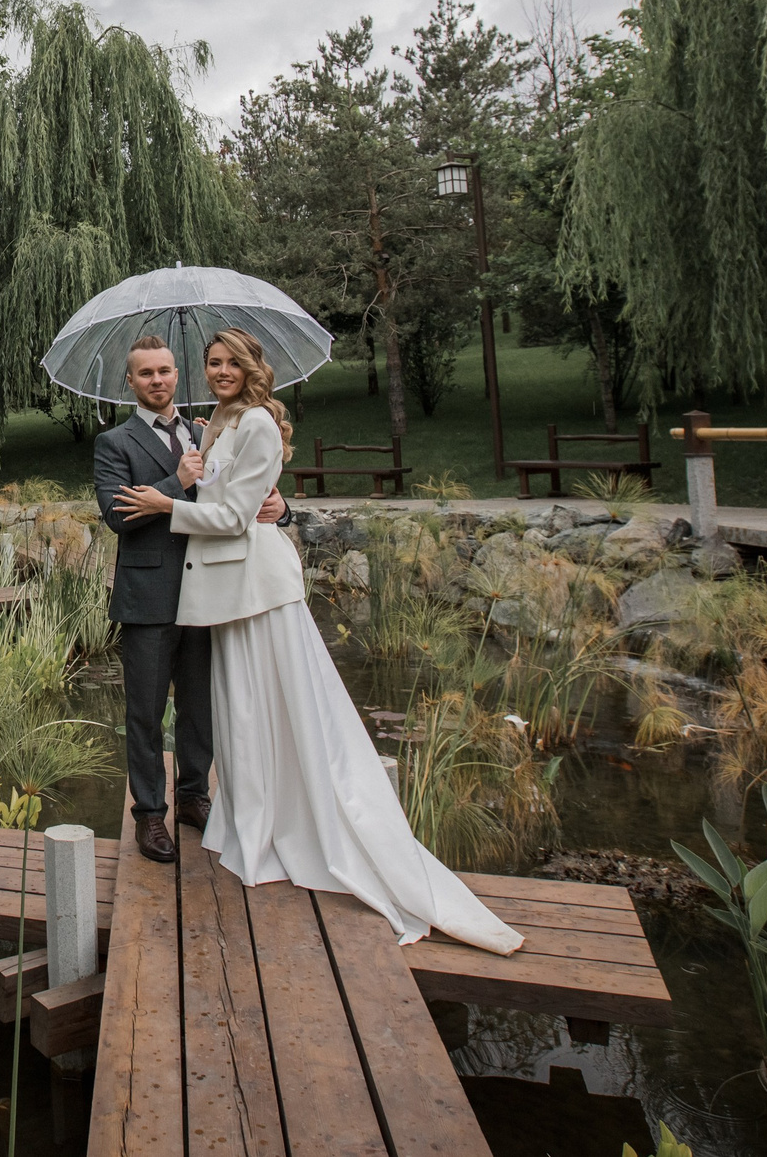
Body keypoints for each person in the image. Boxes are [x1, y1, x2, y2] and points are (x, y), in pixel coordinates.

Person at [115, 326, 522, 955]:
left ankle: (261, 815)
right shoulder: (194, 429)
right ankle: (199, 814)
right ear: (136, 381)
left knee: (254, 708)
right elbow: (152, 507)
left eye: (230, 362)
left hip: (247, 589)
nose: (217, 371)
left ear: (252, 367)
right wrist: (196, 486)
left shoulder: (244, 424)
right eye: (212, 363)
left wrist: (256, 507)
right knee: (214, 710)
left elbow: (241, 507)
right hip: (196, 595)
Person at [92, 335, 286, 865]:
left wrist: (280, 505)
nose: (157, 380)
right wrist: (175, 482)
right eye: (146, 373)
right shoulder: (116, 443)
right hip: (149, 597)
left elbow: (240, 496)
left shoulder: (210, 430)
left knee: (201, 707)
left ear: (179, 375)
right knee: (147, 712)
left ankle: (195, 797)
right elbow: (117, 515)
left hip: (211, 592)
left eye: (166, 371)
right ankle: (150, 814)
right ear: (130, 382)